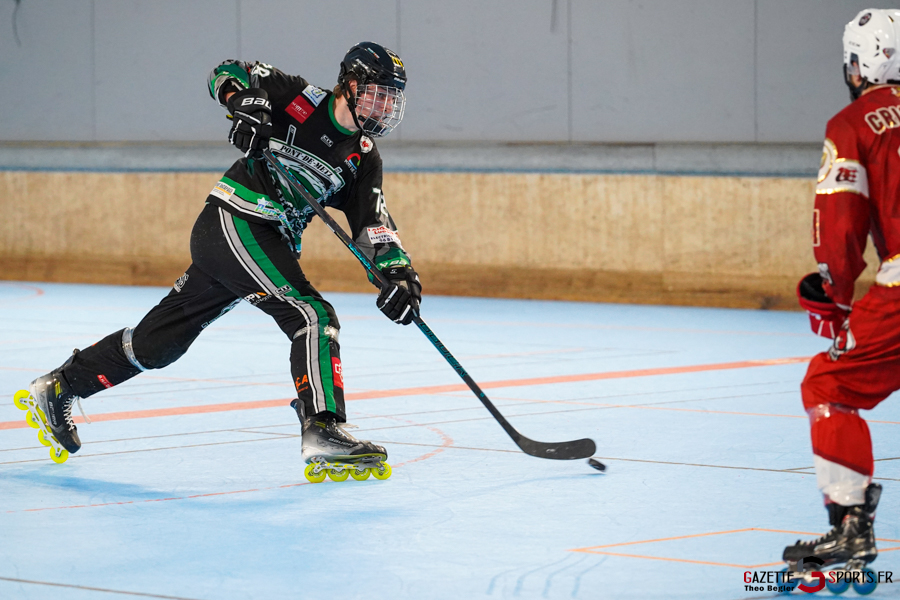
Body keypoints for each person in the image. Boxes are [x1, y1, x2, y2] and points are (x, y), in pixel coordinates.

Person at [15, 42, 421, 481]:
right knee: (311, 315)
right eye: (378, 94)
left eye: (391, 99)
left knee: (157, 345)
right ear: (351, 84)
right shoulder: (298, 98)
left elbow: (373, 222)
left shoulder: (363, 156)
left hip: (258, 244)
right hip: (238, 220)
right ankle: (322, 426)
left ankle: (61, 386)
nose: (385, 107)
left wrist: (399, 275)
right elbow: (227, 72)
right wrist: (244, 104)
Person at [783, 9, 900, 572]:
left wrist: (838, 296)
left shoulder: (853, 123)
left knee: (828, 384)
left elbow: (840, 225)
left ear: (859, 64)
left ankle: (850, 527)